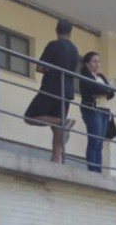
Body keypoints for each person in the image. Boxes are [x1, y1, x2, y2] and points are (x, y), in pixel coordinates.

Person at [24, 18, 79, 163]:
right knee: (57, 129)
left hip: (51, 88)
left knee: (30, 116)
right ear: (70, 32)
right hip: (67, 91)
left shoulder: (54, 45)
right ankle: (56, 158)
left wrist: (47, 69)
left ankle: (61, 121)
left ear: (56, 31)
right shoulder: (74, 50)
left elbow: (40, 67)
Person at [78, 51, 114, 173]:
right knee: (94, 141)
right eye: (94, 61)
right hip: (93, 110)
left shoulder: (101, 77)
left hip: (104, 110)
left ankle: (98, 170)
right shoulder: (85, 76)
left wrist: (103, 91)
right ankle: (92, 169)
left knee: (100, 144)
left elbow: (111, 93)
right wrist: (105, 90)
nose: (97, 64)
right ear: (87, 63)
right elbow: (94, 88)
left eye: (98, 61)